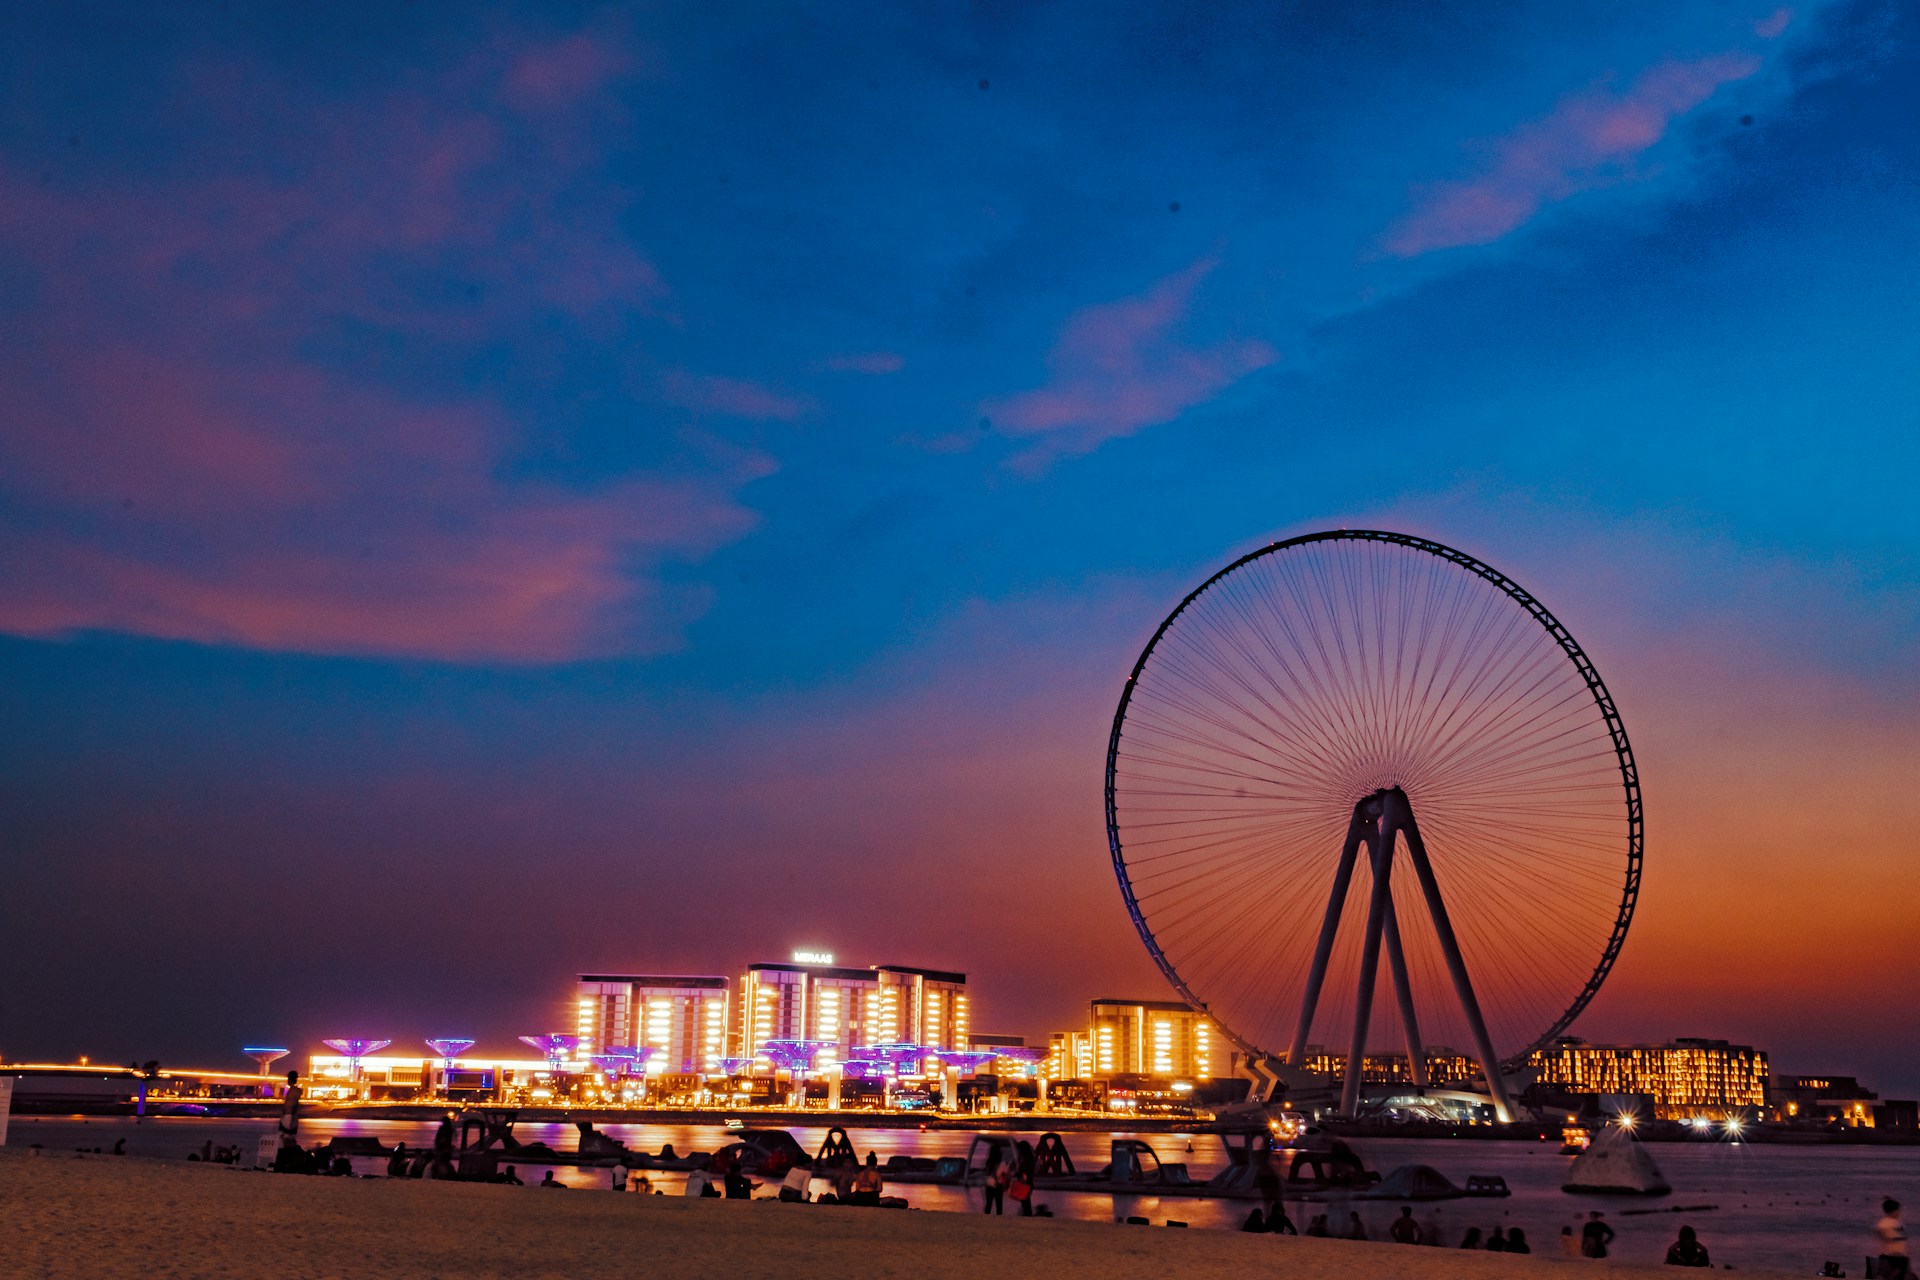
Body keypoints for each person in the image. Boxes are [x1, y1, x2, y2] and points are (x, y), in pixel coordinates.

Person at [1878, 1199, 1910, 1280]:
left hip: (1901, 1256)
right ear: (1894, 1211)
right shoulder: (1885, 1222)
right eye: (1898, 1210)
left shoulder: (1898, 1222)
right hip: (1892, 1255)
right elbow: (1880, 1233)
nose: (1899, 1212)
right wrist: (1889, 1239)